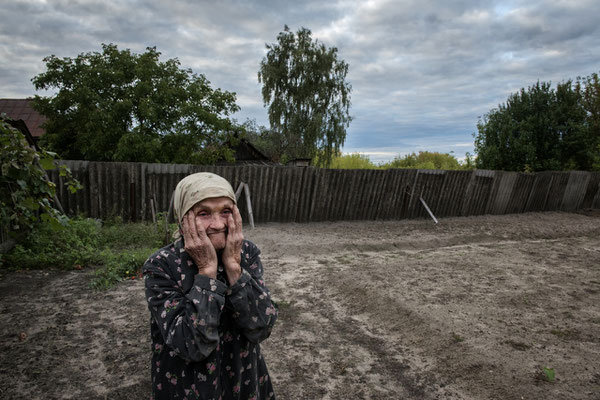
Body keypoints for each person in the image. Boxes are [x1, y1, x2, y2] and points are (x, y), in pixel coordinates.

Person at [143, 172, 277, 400]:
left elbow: (261, 328)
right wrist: (207, 271)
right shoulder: (161, 265)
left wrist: (234, 266)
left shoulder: (246, 253)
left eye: (226, 211)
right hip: (188, 387)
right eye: (203, 213)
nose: (217, 224)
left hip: (243, 378)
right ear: (183, 219)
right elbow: (192, 346)